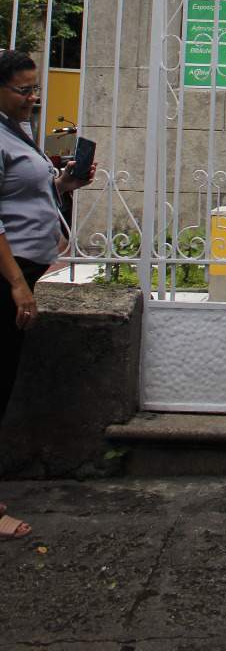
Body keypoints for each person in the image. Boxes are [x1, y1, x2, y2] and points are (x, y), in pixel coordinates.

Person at [1, 50, 96, 540]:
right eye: (24, 90)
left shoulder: (16, 131)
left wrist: (65, 184)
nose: (33, 98)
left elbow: (26, 196)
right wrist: (17, 284)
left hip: (23, 272)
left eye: (35, 88)